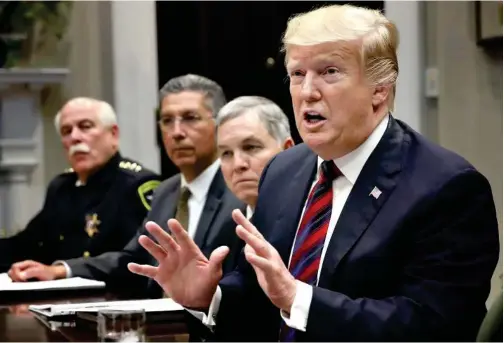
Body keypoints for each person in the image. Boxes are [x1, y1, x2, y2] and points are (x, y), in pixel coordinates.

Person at [127, 4, 500, 342]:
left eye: (329, 72)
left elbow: (435, 327)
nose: (307, 92)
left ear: (380, 90)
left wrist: (299, 299)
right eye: (297, 73)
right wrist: (212, 295)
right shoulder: (283, 169)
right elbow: (259, 290)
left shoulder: (447, 188)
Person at [9, 75, 246, 299]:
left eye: (190, 118)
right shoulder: (167, 191)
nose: (176, 133)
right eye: (166, 121)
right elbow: (131, 258)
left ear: (220, 125)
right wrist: (61, 270)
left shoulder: (240, 189)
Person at [2, 97, 161, 276]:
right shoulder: (61, 186)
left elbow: (138, 258)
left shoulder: (137, 184)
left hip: (116, 298)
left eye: (85, 127)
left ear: (113, 135)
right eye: (66, 131)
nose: (75, 137)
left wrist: (62, 270)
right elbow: (27, 244)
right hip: (60, 298)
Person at [216, 96, 294, 216]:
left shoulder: (319, 219)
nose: (238, 164)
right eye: (226, 153)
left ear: (287, 150)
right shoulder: (226, 230)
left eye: (251, 147)